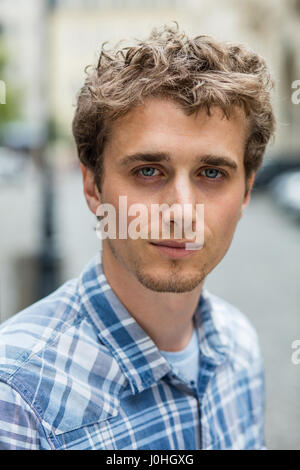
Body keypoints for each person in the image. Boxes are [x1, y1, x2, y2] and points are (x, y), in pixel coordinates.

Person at [0, 24, 275, 450]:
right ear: (93, 187)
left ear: (246, 192)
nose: (182, 212)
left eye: (212, 174)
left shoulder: (240, 346)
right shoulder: (16, 395)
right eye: (148, 171)